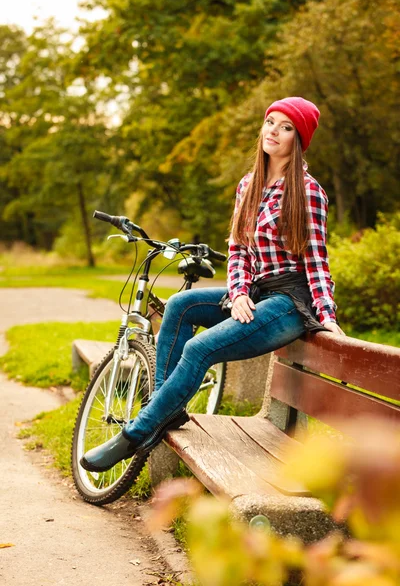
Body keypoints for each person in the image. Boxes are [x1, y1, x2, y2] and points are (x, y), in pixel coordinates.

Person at [80, 96, 344, 473]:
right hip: (254, 293)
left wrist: (327, 314)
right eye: (271, 121)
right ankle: (166, 411)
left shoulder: (308, 192)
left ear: (297, 141)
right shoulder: (248, 185)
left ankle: (134, 435)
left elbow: (317, 260)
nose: (274, 131)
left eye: (286, 128)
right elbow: (237, 249)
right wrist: (237, 292)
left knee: (201, 347)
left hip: (289, 303)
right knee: (178, 305)